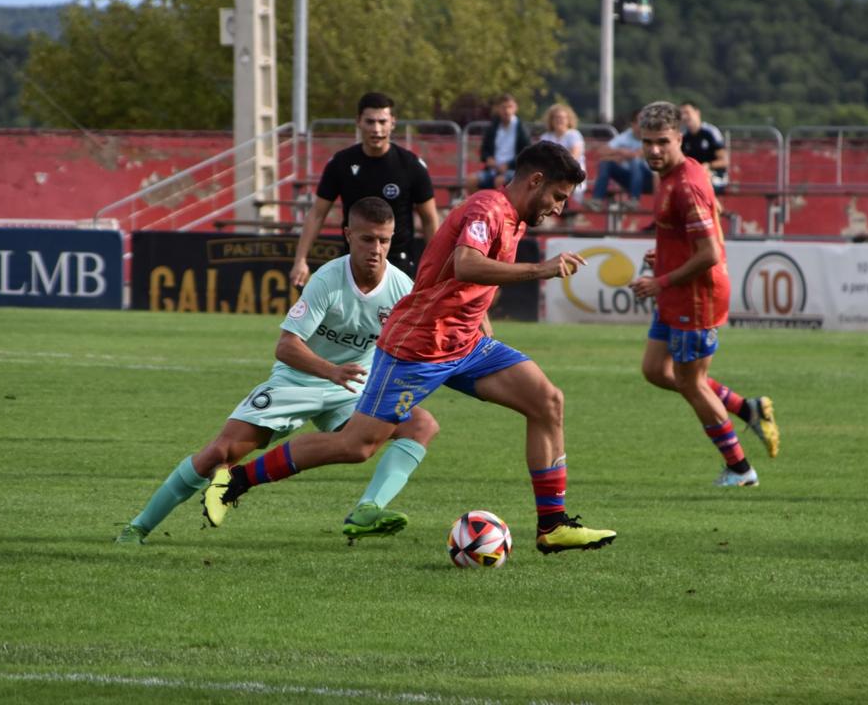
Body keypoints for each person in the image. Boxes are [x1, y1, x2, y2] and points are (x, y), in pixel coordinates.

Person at [206, 142, 617, 555]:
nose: (558, 208)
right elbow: (466, 264)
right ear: (536, 181)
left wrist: (482, 321)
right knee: (356, 446)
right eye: (558, 197)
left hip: (467, 343)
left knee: (547, 401)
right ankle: (235, 480)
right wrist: (539, 269)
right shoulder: (487, 209)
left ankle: (552, 526)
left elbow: (471, 284)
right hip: (418, 345)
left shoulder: (516, 219)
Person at [116, 197, 437, 544]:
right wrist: (330, 371)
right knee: (220, 452)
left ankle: (368, 508)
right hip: (299, 381)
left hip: (351, 389)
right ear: (348, 235)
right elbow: (286, 346)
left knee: (420, 425)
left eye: (384, 240)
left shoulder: (402, 288)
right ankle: (138, 527)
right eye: (367, 239)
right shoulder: (328, 280)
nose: (376, 249)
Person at [630, 101, 779, 487]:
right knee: (655, 370)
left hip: (696, 297)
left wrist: (659, 280)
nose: (654, 150)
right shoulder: (670, 174)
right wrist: (663, 255)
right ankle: (747, 409)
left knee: (692, 382)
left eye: (663, 141)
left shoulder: (687, 185)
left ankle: (741, 469)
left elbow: (710, 252)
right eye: (647, 142)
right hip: (678, 291)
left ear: (680, 138)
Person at [290, 92, 439, 285]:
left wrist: (438, 265)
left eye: (382, 121)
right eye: (370, 122)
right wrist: (300, 260)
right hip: (352, 263)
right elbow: (317, 214)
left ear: (392, 122)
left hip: (398, 263)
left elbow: (429, 219)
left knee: (395, 316)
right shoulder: (341, 163)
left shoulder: (411, 165)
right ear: (358, 122)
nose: (376, 129)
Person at [587, 108, 652, 211]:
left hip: (650, 179)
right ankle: (597, 200)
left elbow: (637, 154)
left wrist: (619, 154)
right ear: (633, 124)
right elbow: (602, 152)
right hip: (630, 178)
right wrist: (620, 153)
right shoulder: (627, 135)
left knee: (636, 162)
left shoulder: (652, 136)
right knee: (606, 163)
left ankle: (634, 200)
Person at [475, 93, 532, 191]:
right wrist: (488, 158)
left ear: (515, 108)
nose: (507, 111)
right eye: (503, 107)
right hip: (492, 169)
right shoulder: (492, 127)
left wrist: (508, 165)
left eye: (510, 107)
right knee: (471, 180)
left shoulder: (522, 128)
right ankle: (478, 205)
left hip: (514, 170)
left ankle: (499, 206)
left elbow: (527, 153)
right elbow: (484, 150)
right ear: (498, 109)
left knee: (499, 181)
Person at [538, 103, 587, 207]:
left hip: (572, 174)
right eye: (556, 117)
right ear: (551, 120)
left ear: (568, 120)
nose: (559, 120)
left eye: (562, 118)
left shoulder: (574, 135)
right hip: (550, 175)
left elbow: (573, 157)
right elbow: (541, 159)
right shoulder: (545, 137)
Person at [679, 101, 728, 195]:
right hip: (692, 177)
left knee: (700, 182)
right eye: (682, 114)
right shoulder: (684, 136)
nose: (684, 117)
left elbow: (724, 161)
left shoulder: (710, 132)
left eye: (687, 112)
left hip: (716, 176)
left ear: (697, 112)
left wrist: (707, 166)